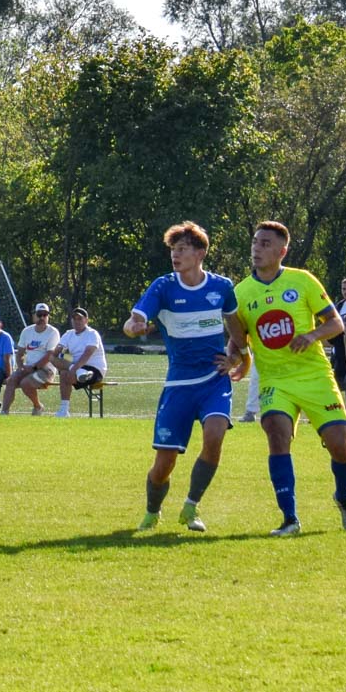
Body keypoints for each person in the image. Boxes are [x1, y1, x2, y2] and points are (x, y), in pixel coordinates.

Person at [233, 221, 346, 536]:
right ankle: (290, 518)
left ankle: (343, 496)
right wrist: (236, 360)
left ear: (282, 251)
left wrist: (312, 335)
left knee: (340, 446)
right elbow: (238, 339)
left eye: (265, 243)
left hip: (314, 375)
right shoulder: (240, 292)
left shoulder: (302, 280)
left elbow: (335, 323)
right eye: (255, 242)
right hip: (275, 380)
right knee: (277, 436)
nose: (257, 248)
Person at [123, 221, 249, 533]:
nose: (175, 256)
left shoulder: (221, 287)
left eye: (182, 249)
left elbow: (235, 326)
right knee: (164, 464)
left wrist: (239, 357)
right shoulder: (163, 287)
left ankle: (191, 506)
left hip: (214, 380)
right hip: (179, 385)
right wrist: (133, 328)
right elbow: (134, 320)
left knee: (215, 435)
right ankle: (152, 511)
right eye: (173, 250)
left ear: (200, 253)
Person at [1, 304, 60, 416]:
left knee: (25, 383)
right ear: (34, 316)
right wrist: (21, 367)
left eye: (45, 315)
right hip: (28, 368)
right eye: (39, 314)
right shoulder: (27, 331)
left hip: (46, 370)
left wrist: (33, 367)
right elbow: (20, 353)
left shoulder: (53, 332)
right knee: (11, 380)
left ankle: (38, 406)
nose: (42, 318)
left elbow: (49, 355)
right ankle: (4, 412)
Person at [49, 307, 108, 417]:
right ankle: (64, 410)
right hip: (75, 367)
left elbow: (87, 354)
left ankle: (64, 410)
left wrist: (73, 369)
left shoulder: (92, 334)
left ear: (86, 320)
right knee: (53, 357)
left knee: (64, 373)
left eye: (80, 319)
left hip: (93, 369)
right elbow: (57, 352)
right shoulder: (68, 334)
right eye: (74, 319)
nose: (77, 321)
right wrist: (61, 353)